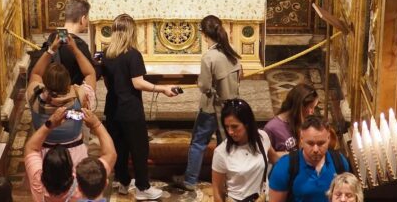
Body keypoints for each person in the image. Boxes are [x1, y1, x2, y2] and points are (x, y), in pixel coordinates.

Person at [102, 14, 178, 200]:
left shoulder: (105, 54)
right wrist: (162, 89)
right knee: (139, 148)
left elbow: (106, 81)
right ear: (131, 32)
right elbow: (138, 83)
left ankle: (123, 181)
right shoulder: (133, 55)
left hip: (112, 108)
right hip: (130, 111)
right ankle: (143, 187)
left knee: (119, 147)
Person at [174, 15, 242, 191]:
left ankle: (190, 180)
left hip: (212, 107)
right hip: (231, 106)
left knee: (198, 142)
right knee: (226, 143)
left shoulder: (209, 57)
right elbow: (239, 76)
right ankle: (228, 180)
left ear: (204, 34)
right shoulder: (231, 50)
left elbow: (204, 86)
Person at [26, 33, 97, 162]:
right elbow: (90, 73)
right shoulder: (80, 96)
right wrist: (75, 49)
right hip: (74, 153)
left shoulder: (35, 96)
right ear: (68, 83)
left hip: (43, 153)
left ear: (45, 83)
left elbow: (36, 73)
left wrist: (51, 49)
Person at [24, 108, 117, 202]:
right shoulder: (82, 185)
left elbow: (31, 148)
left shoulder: (37, 180)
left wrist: (49, 124)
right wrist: (96, 124)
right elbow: (110, 154)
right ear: (71, 169)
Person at [268, 115, 351, 202]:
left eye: (321, 143)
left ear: (329, 139)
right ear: (301, 140)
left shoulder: (339, 162)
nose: (316, 149)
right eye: (310, 143)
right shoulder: (285, 167)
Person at [211, 99, 276, 202]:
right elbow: (217, 190)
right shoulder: (221, 152)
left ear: (247, 123)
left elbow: (275, 158)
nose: (230, 132)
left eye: (234, 126)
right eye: (227, 127)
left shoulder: (262, 137)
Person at [29, 0, 94, 85]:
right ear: (83, 19)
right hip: (71, 92)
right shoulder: (81, 46)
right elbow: (90, 74)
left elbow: (36, 73)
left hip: (52, 89)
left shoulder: (52, 38)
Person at [264, 84, 318, 158]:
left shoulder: (306, 122)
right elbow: (267, 157)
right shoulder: (271, 128)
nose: (312, 112)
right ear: (300, 107)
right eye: (311, 107)